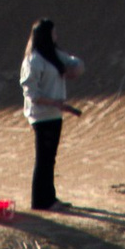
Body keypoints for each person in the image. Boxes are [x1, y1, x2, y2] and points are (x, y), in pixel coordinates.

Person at [19, 17, 85, 211]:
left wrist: (72, 70)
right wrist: (56, 103)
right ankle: (40, 201)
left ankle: (50, 198)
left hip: (55, 114)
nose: (56, 36)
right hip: (41, 115)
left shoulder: (54, 54)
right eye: (53, 33)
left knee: (50, 157)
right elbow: (32, 93)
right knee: (44, 158)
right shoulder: (34, 60)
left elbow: (78, 64)